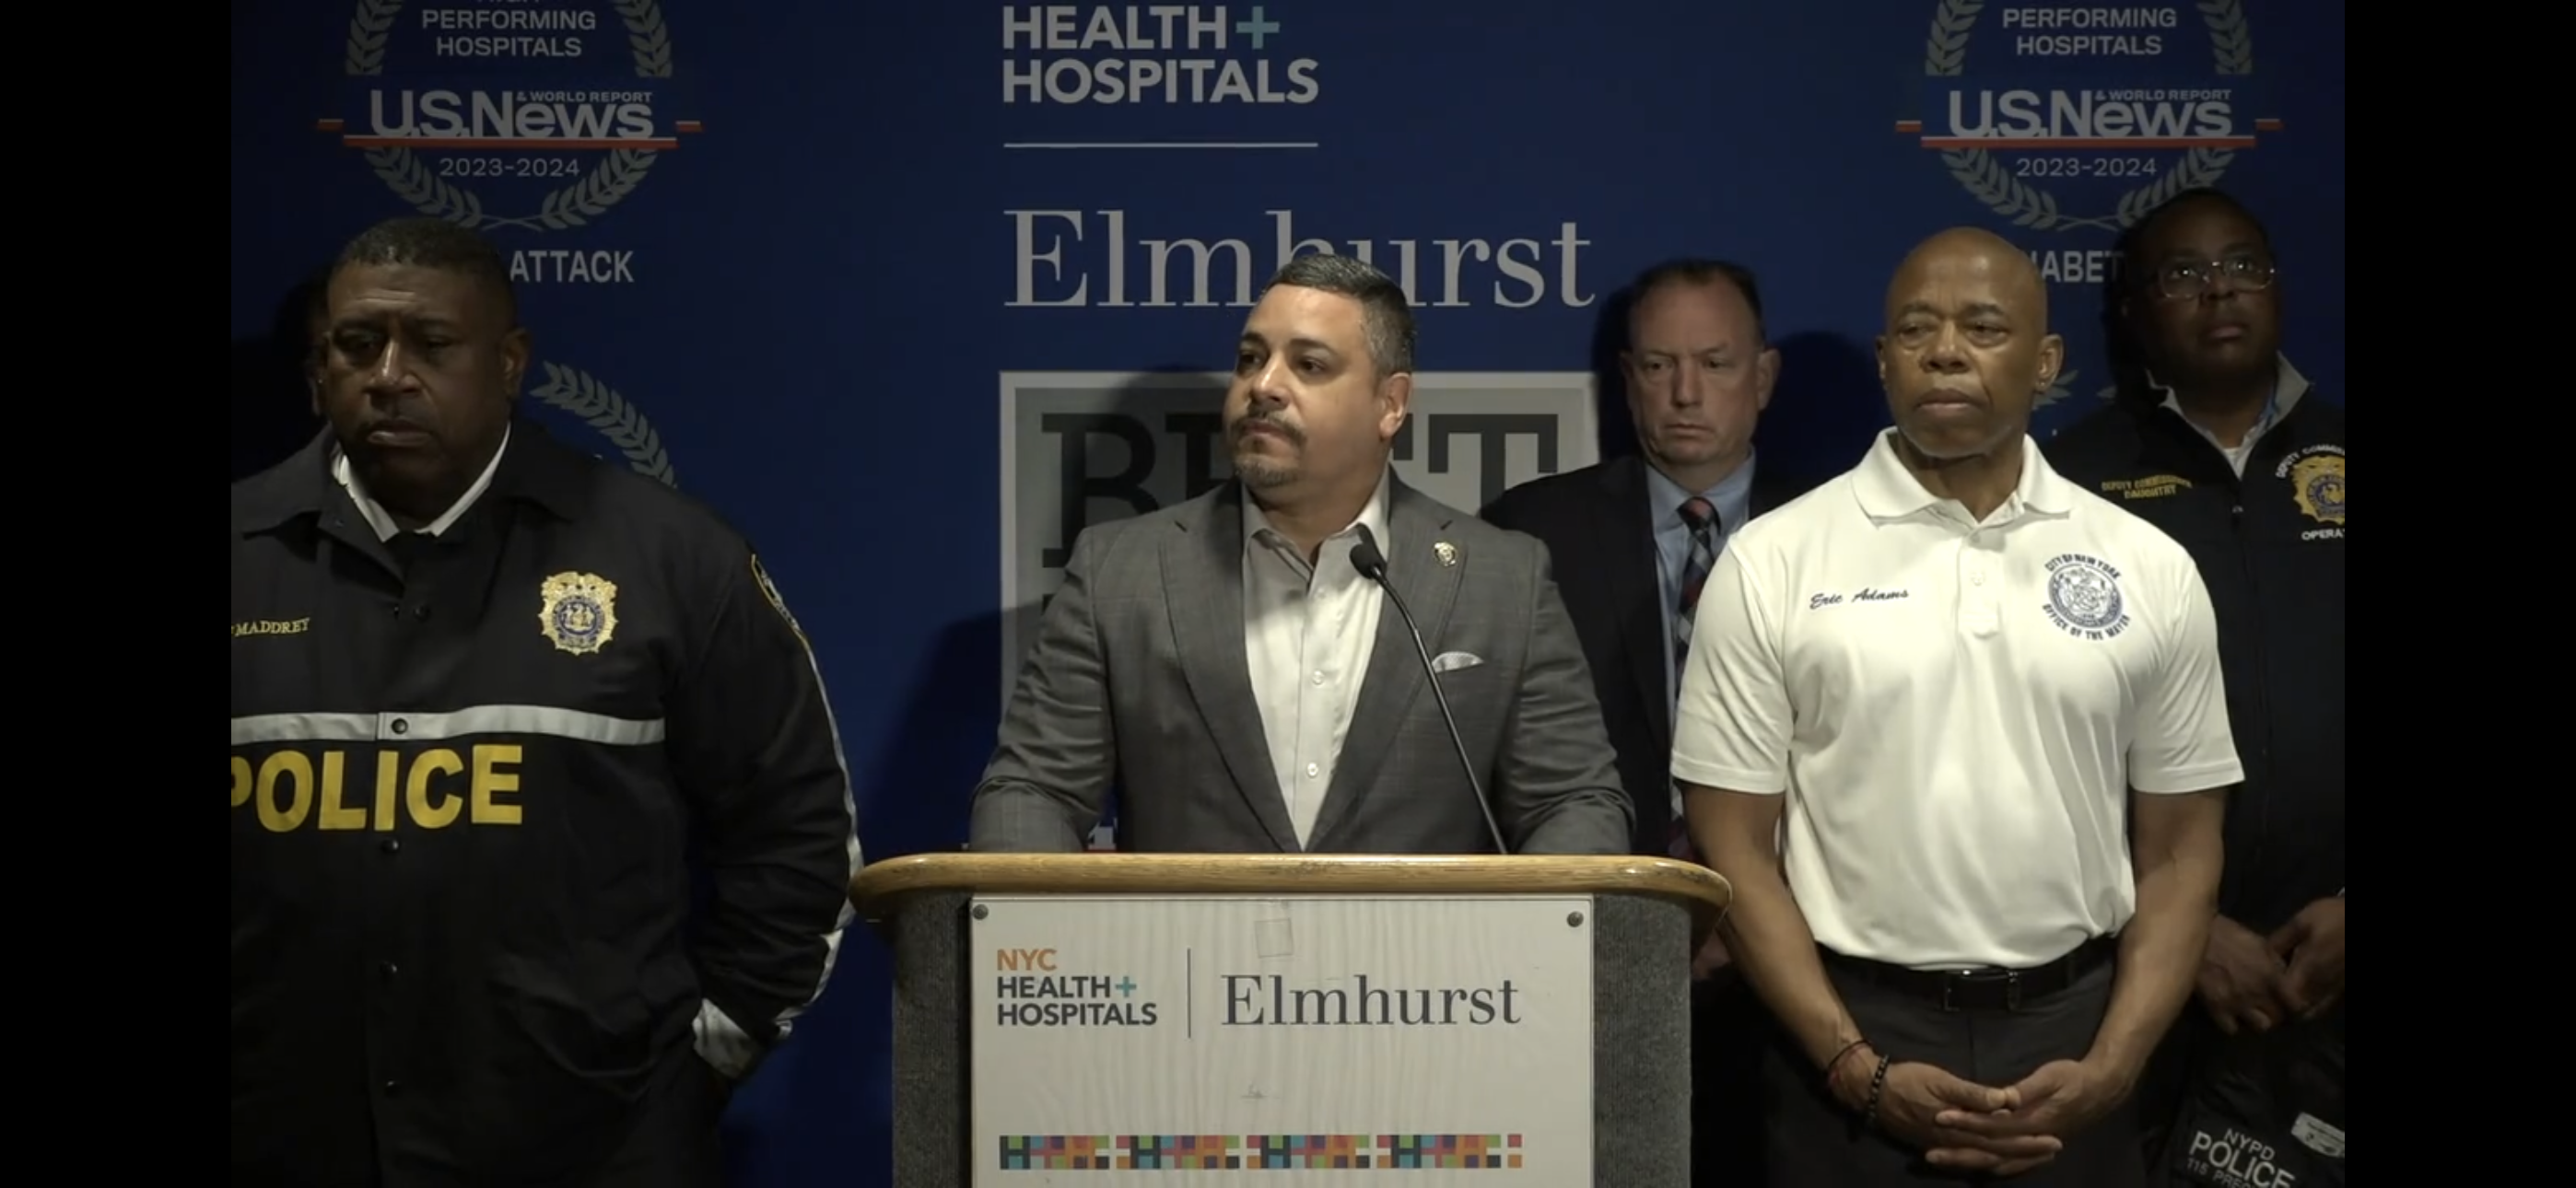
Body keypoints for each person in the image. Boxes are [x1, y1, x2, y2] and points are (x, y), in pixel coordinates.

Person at [230, 215, 862, 1188]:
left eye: (432, 344)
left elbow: (800, 833)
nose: (390, 375)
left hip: (596, 1146)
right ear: (321, 367)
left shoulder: (667, 557)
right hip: (277, 1136)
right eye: (357, 345)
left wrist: (697, 1064)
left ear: (510, 362)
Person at [1673, 227, 2239, 1187]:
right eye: (1916, 329)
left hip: (2081, 1037)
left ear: (2047, 362)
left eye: (1983, 327)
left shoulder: (2149, 567)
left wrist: (2115, 1066)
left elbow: (2183, 851)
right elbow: (1733, 848)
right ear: (1884, 358)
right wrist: (1852, 1066)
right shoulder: (1773, 561)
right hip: (1841, 1042)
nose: (1945, 351)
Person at [969, 251, 1632, 856]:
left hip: (1424, 954)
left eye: (1309, 365)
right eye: (1250, 358)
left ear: (1391, 404)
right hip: (1185, 950)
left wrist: (1522, 939)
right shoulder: (1120, 571)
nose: (1264, 385)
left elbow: (1573, 803)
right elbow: (1033, 792)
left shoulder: (1503, 579)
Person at [1478, 258, 1814, 1185]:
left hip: (1803, 972)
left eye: (1715, 363)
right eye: (1660, 366)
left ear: (1764, 377)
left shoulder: (1842, 535)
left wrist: (1750, 917)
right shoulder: (1528, 536)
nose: (1685, 393)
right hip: (1585, 962)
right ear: (1627, 379)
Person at [2047, 188, 2344, 1183]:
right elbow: (2032, 740)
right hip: (2139, 974)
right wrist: (2175, 925)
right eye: (2184, 274)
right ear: (2135, 311)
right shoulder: (2066, 484)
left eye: (2244, 265)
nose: (2221, 291)